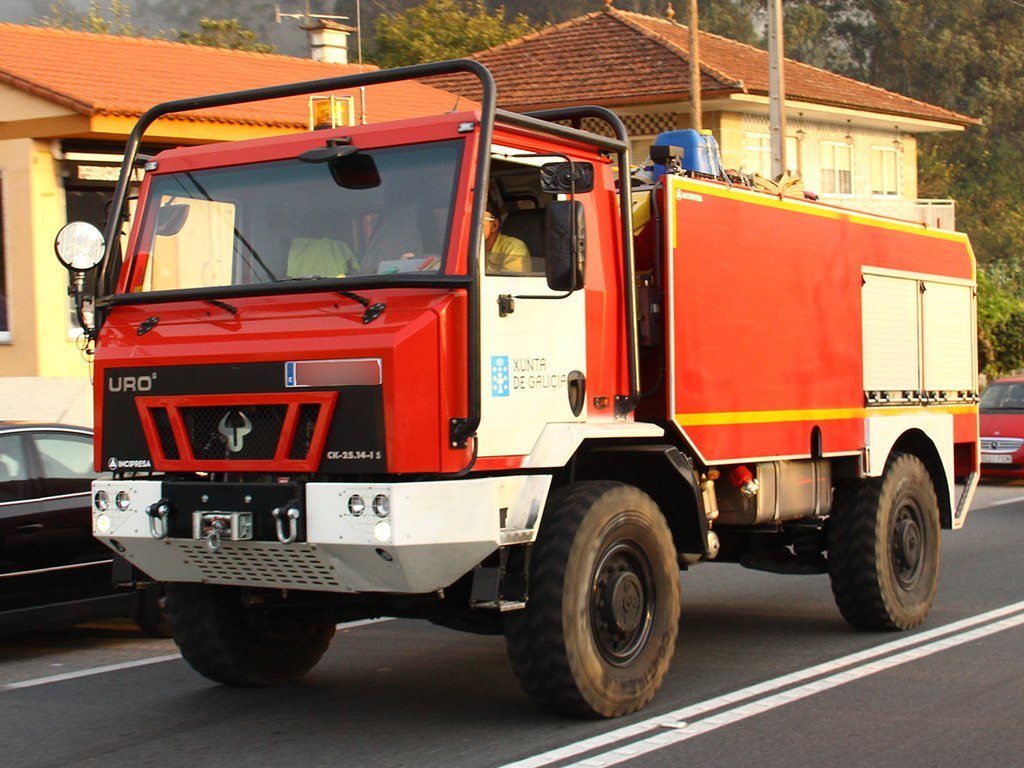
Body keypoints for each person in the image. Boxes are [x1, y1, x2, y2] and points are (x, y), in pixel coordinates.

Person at [484, 209, 530, 274]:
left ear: (494, 225)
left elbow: (511, 282)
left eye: (474, 221)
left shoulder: (514, 248)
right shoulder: (468, 247)